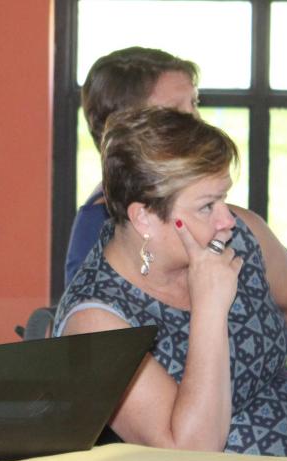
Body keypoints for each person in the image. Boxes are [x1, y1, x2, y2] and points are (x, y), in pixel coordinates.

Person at [54, 107, 287, 461]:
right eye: (207, 206)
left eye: (223, 198)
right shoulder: (95, 322)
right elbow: (191, 453)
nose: (228, 219)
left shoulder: (238, 236)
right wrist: (209, 308)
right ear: (144, 217)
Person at [65, 46, 199, 286]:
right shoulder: (100, 225)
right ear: (126, 129)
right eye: (175, 111)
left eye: (194, 103)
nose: (196, 121)